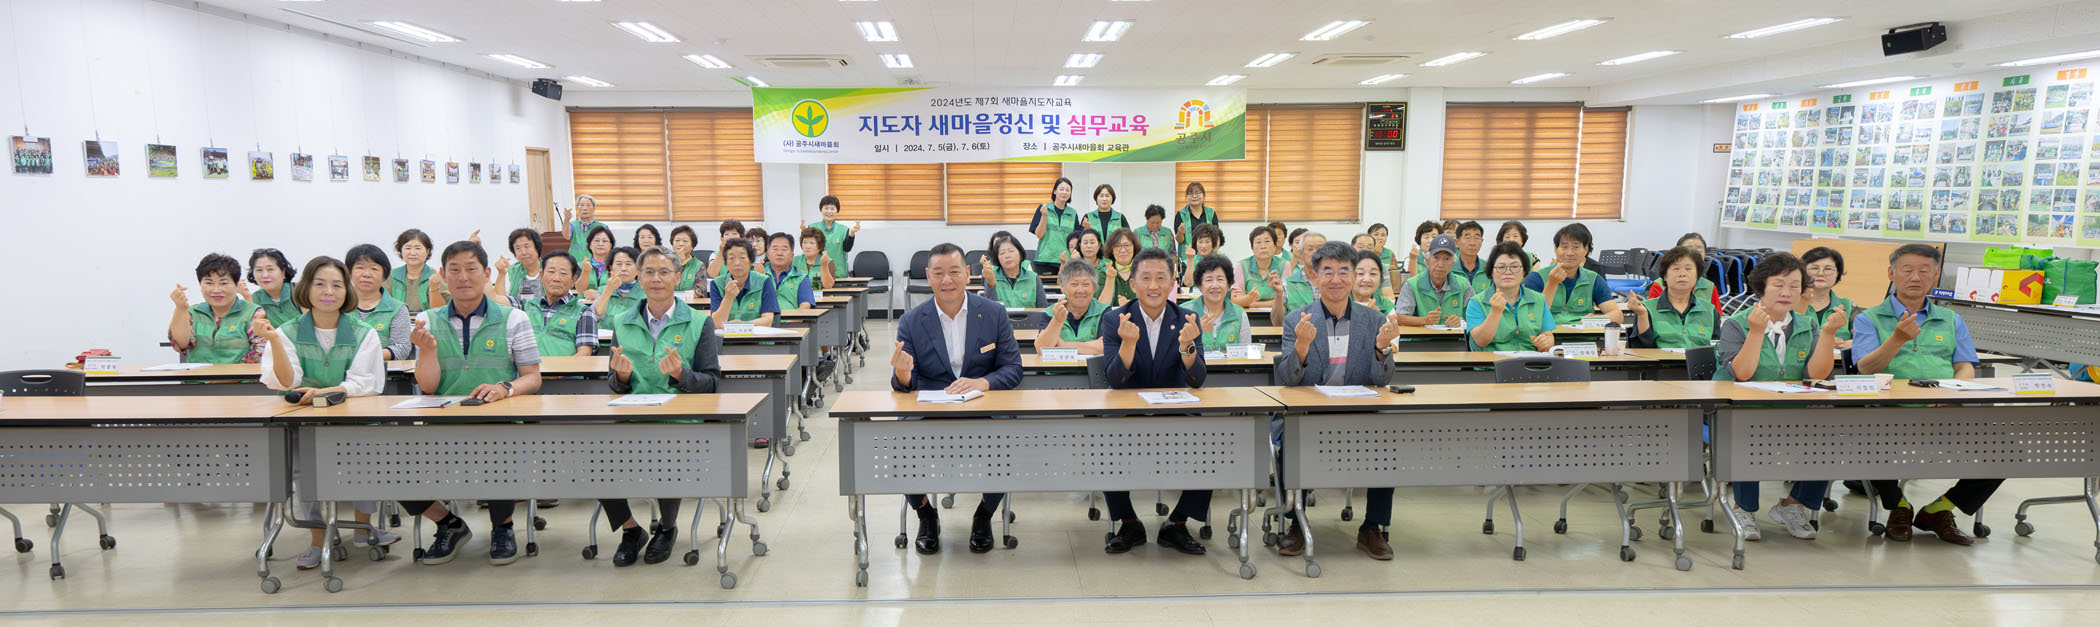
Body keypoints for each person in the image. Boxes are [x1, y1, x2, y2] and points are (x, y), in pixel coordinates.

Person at [402, 240, 545, 566]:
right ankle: (448, 524)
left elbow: (532, 378)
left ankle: (502, 527)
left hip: (500, 424)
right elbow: (428, 386)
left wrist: (505, 388)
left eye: (471, 269)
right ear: (442, 275)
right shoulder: (426, 320)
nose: (463, 277)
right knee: (390, 464)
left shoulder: (514, 318)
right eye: (454, 270)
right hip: (442, 426)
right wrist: (427, 351)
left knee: (499, 451)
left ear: (487, 273)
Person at [256, 256, 401, 569]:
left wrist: (326, 392)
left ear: (347, 291)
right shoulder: (286, 332)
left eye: (337, 285)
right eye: (320, 284)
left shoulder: (363, 332)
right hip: (300, 421)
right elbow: (286, 381)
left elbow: (366, 382)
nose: (328, 292)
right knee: (302, 473)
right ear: (306, 288)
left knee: (364, 463)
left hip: (351, 419)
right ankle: (317, 540)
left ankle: (363, 529)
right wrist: (274, 341)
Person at [890, 243, 1023, 555]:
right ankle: (926, 514)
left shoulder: (993, 313)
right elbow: (904, 385)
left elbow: (1013, 369)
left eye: (953, 272)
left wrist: (981, 383)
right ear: (928, 276)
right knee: (898, 442)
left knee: (1010, 439)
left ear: (967, 273)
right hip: (931, 411)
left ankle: (984, 515)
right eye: (938, 273)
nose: (946, 280)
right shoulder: (911, 320)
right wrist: (903, 373)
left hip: (982, 407)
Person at [1853, 244, 1989, 545]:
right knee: (1865, 437)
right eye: (1907, 270)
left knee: (2004, 448)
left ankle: (1940, 510)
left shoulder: (1951, 319)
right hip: (1889, 411)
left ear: (1935, 276)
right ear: (1892, 274)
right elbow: (1865, 367)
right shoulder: (1869, 318)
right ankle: (1898, 506)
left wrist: (1952, 394)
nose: (1915, 277)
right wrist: (1897, 339)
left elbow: (1965, 366)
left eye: (1924, 271)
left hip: (1943, 409)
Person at [1275, 242, 1402, 560]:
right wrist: (1301, 346)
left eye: (1344, 271)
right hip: (1309, 415)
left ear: (1353, 276)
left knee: (1388, 443)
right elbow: (1288, 380)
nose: (1336, 279)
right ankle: (1295, 522)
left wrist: (1382, 349)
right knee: (1290, 441)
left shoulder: (1373, 320)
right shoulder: (1296, 320)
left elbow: (1382, 380)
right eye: (1327, 272)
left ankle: (1372, 527)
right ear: (1315, 277)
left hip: (1359, 413)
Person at [600, 247, 723, 566]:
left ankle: (667, 528)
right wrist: (622, 377)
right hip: (633, 420)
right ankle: (631, 530)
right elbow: (614, 384)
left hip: (680, 422)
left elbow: (712, 382)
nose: (656, 278)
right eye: (649, 272)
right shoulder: (622, 321)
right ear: (639, 278)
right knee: (593, 457)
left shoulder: (699, 322)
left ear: (678, 277)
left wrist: (682, 375)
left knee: (667, 451)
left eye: (664, 272)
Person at [1714, 253, 1841, 541]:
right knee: (1744, 430)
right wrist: (1756, 331)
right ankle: (1743, 508)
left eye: (1795, 286)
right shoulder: (1736, 324)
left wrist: (1828, 334)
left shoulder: (1807, 324)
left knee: (1830, 435)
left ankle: (1792, 505)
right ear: (1761, 287)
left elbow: (1817, 374)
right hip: (1740, 411)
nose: (1787, 292)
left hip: (1791, 411)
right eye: (1779, 285)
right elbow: (1743, 373)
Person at [1100, 247, 1210, 556]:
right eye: (1145, 278)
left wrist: (1187, 346)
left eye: (1161, 278)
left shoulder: (1187, 318)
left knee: (1213, 439)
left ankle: (1177, 523)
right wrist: (1128, 344)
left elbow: (1197, 380)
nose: (1153, 286)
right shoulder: (1114, 319)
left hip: (1174, 412)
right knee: (1104, 440)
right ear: (1132, 283)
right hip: (1127, 414)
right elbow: (1115, 380)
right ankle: (1128, 523)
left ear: (1173, 282)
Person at [168, 253, 265, 364]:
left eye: (223, 283)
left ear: (236, 285)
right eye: (209, 283)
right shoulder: (193, 312)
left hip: (240, 375)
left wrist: (228, 375)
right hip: (198, 375)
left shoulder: (253, 313)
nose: (216, 290)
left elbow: (259, 352)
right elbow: (181, 344)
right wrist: (180, 308)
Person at [1524, 223, 1622, 326]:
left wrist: (1597, 319)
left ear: (1585, 250)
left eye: (1576, 247)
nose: (1570, 253)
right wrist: (1552, 283)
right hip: (1549, 334)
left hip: (1584, 334)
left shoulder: (1594, 279)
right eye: (1564, 247)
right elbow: (1533, 316)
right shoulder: (1536, 278)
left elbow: (1618, 315)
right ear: (1556, 249)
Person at [1466, 241, 1556, 352]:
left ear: (1524, 271)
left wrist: (1546, 342)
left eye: (1514, 266)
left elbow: (1549, 336)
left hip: (1531, 360)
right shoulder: (1477, 302)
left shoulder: (1539, 299)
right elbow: (1481, 341)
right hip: (1492, 361)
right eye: (1501, 267)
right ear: (1491, 272)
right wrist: (1495, 312)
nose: (1508, 272)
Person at [1629, 247, 1720, 349]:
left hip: (1698, 359)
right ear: (1665, 276)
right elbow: (1643, 349)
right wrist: (1642, 315)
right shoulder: (1647, 308)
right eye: (1676, 269)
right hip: (1661, 359)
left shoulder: (1710, 311)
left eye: (1688, 269)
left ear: (1697, 276)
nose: (1682, 274)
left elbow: (1717, 349)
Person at [519, 251, 598, 358]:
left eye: (563, 273)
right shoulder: (526, 306)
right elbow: (498, 301)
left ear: (573, 280)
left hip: (566, 369)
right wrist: (501, 273)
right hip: (527, 368)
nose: (556, 279)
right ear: (541, 276)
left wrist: (558, 368)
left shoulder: (584, 312)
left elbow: (584, 354)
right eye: (551, 272)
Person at [344, 245, 414, 360]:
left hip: (381, 369)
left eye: (374, 269)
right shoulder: (339, 305)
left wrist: (365, 357)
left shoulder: (397, 308)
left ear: (384, 275)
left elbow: (401, 348)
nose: (366, 274)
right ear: (349, 272)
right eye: (360, 268)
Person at [1394, 234, 1471, 326]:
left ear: (1453, 263)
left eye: (1446, 259)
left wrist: (1460, 321)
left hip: (1454, 335)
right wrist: (1425, 320)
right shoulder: (1412, 284)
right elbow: (1400, 318)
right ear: (1427, 261)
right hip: (1422, 335)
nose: (1440, 264)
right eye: (1436, 258)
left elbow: (1475, 316)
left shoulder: (1463, 285)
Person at [1038, 260, 1109, 356]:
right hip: (1057, 366)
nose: (1080, 290)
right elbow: (1041, 349)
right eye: (1074, 284)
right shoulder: (1050, 312)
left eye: (1086, 284)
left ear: (1094, 287)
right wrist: (1057, 320)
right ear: (1062, 286)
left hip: (1093, 366)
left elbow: (1105, 347)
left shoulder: (1104, 311)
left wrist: (1064, 345)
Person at [707, 236, 779, 329]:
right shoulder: (717, 284)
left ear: (751, 261)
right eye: (731, 258)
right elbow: (716, 324)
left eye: (742, 257)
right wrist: (728, 298)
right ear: (726, 263)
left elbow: (768, 320)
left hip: (757, 337)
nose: (737, 263)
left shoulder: (764, 281)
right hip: (726, 337)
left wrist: (743, 324)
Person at [1185, 255, 1249, 351]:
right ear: (1199, 285)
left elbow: (1246, 352)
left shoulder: (1239, 313)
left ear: (1228, 284)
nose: (1215, 285)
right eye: (1209, 280)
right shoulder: (1185, 312)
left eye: (1220, 279)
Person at [1645, 233, 1721, 311]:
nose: (1692, 254)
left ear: (1705, 255)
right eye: (1676, 268)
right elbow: (1652, 313)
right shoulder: (1658, 285)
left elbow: (1716, 315)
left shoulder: (1710, 287)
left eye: (1698, 251)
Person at [1799, 246, 1854, 351]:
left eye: (1828, 269)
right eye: (1814, 268)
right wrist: (1823, 340)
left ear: (1838, 274)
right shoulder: (1790, 304)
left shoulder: (1848, 306)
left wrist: (1854, 343)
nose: (1820, 273)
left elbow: (1869, 336)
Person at [1029, 177, 1080, 275]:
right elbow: (1039, 235)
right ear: (1055, 191)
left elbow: (1075, 239)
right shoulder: (1043, 208)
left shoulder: (1073, 213)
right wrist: (1044, 216)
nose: (1064, 192)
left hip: (1066, 260)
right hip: (1044, 260)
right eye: (1061, 189)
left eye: (1067, 190)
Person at [979, 232, 1046, 308]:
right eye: (1002, 253)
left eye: (1011, 251)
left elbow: (1043, 308)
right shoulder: (992, 276)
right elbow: (989, 309)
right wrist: (991, 284)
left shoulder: (1033, 277)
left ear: (1020, 253)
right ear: (997, 258)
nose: (1007, 256)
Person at [389, 229, 445, 311]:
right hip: (398, 319)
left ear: (427, 251)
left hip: (428, 319)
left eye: (418, 248)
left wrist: (434, 287)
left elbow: (441, 311)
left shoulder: (436, 277)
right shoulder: (391, 275)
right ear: (400, 250)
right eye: (408, 248)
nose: (413, 253)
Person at [1235, 227, 1287, 310]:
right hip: (1248, 315)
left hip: (1277, 314)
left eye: (1267, 241)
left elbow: (1286, 300)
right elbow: (1235, 300)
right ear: (1252, 248)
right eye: (1258, 242)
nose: (1263, 246)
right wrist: (1248, 299)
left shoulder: (1284, 265)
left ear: (1274, 246)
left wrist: (1251, 303)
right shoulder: (1242, 265)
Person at [764, 232, 818, 312]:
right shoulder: (758, 275)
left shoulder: (801, 278)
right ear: (768, 254)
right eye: (775, 249)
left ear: (792, 256)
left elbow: (805, 306)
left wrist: (791, 319)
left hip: (791, 319)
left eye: (784, 249)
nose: (779, 253)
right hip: (762, 319)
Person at [248, 248, 303, 326]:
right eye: (259, 270)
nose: (265, 275)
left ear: (283, 272)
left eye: (270, 269)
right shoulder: (254, 300)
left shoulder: (300, 291)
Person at [809, 195, 859, 279]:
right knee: (817, 287)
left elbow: (847, 248)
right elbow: (808, 249)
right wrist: (804, 232)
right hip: (817, 275)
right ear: (821, 210)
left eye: (832, 208)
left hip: (838, 274)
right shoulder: (812, 228)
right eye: (826, 208)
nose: (829, 211)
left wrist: (852, 233)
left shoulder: (843, 229)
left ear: (837, 211)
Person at [491, 229, 545, 303]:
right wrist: (501, 273)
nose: (523, 252)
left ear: (537, 247)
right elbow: (499, 302)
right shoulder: (511, 272)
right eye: (518, 248)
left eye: (526, 246)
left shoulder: (549, 268)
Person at [593, 246, 643, 321]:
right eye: (619, 264)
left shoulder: (646, 292)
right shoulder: (603, 290)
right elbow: (596, 315)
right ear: (611, 268)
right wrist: (609, 290)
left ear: (638, 269)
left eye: (628, 264)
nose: (623, 269)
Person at [1283, 232, 1328, 314]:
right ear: (1301, 253)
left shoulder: (1337, 281)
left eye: (1320, 249)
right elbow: (1278, 319)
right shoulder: (1287, 283)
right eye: (1310, 249)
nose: (1315, 253)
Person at [1098, 228, 1140, 307]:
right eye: (1117, 246)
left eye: (1127, 245)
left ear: (1134, 247)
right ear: (1112, 250)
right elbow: (1100, 307)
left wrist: (1131, 304)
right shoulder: (1103, 273)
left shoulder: (1143, 272)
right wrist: (1110, 278)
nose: (1123, 250)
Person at [1173, 183, 1219, 251]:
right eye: (1190, 194)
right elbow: (1179, 240)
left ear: (1203, 196)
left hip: (1207, 254)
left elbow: (1216, 237)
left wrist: (1214, 253)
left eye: (1197, 193)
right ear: (1186, 197)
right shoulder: (1181, 214)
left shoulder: (1211, 213)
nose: (1194, 196)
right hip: (1188, 254)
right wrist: (1180, 232)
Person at [561, 194, 607, 264]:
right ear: (577, 208)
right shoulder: (573, 225)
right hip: (575, 263)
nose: (585, 208)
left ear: (594, 208)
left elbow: (608, 246)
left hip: (595, 264)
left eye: (588, 205)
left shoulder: (602, 227)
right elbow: (566, 236)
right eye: (581, 205)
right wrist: (566, 220)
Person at [1179, 223, 1225, 288]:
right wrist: (1190, 260)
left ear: (1213, 244)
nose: (1203, 246)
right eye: (1200, 242)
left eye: (1207, 242)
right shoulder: (1186, 263)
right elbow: (1188, 284)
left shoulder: (1221, 263)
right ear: (1195, 243)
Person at [577, 225, 617, 293]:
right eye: (596, 240)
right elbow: (580, 290)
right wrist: (585, 271)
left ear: (611, 245)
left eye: (604, 241)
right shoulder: (581, 265)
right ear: (590, 245)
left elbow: (620, 290)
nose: (600, 244)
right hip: (584, 300)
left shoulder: (616, 265)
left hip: (609, 300)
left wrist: (598, 294)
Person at [1452, 221, 1490, 293]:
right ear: (1457, 243)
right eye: (1467, 238)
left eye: (1476, 238)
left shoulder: (1489, 268)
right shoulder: (1450, 269)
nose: (1472, 243)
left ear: (1482, 241)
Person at [669, 226, 706, 292]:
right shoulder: (665, 263)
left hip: (690, 299)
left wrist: (684, 295)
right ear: (672, 244)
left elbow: (700, 292)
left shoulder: (699, 265)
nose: (681, 244)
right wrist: (679, 263)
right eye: (677, 240)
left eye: (685, 241)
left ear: (692, 246)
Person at [1367, 223, 1401, 289]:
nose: (1380, 238)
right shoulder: (1364, 251)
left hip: (1386, 287)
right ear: (1369, 236)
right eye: (1376, 234)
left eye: (1383, 235)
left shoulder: (1390, 253)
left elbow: (1395, 275)